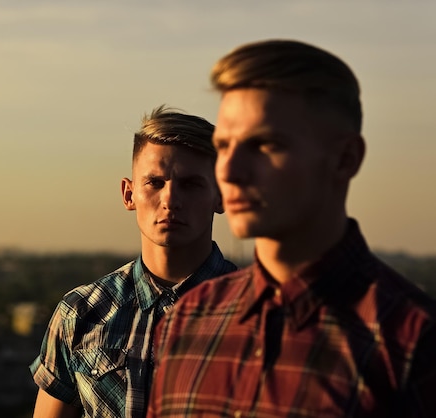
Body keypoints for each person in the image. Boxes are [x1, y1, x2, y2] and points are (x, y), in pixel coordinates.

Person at [147, 40, 436, 418]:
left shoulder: (412, 344)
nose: (230, 172)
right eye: (224, 146)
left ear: (346, 159)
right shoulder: (187, 322)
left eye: (265, 145)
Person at [30, 105, 238, 418]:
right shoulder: (81, 314)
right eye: (155, 182)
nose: (170, 200)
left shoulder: (264, 315)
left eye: (191, 184)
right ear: (129, 194)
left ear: (221, 196)